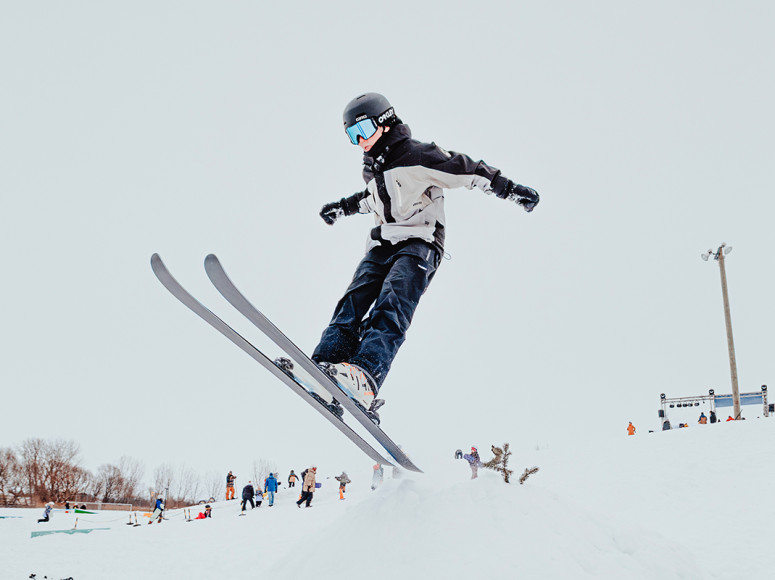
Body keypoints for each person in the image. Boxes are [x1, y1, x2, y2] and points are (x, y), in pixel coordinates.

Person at [311, 93, 540, 420]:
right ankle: (326, 365)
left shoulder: (417, 155)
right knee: (353, 301)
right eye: (351, 136)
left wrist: (510, 189)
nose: (359, 141)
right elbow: (373, 200)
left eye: (362, 130)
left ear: (384, 120)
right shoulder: (373, 170)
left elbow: (467, 170)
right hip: (382, 244)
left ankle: (365, 377)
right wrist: (343, 207)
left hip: (420, 244)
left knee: (392, 304)